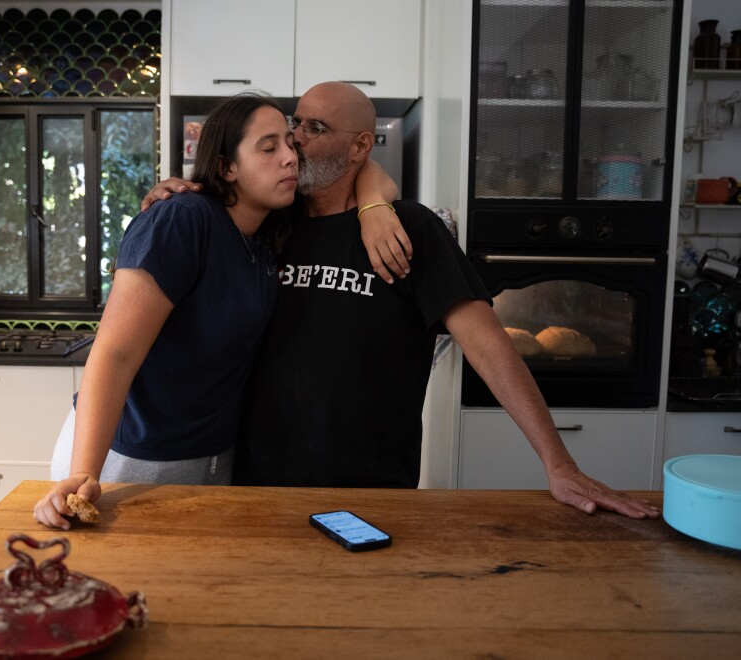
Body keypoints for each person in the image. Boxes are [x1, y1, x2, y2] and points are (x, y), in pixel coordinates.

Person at [144, 82, 660, 520]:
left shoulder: (411, 229)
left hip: (373, 497)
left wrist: (558, 463)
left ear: (361, 146)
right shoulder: (268, 224)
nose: (295, 141)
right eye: (293, 124)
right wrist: (179, 191)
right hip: (257, 490)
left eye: (313, 129)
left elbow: (488, 347)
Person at [34, 92, 400, 530]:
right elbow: (115, 354)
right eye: (269, 148)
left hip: (213, 460)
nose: (290, 157)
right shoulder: (182, 219)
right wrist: (84, 471)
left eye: (291, 143)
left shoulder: (268, 234)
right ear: (227, 166)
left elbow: (370, 168)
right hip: (129, 459)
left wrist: (375, 206)